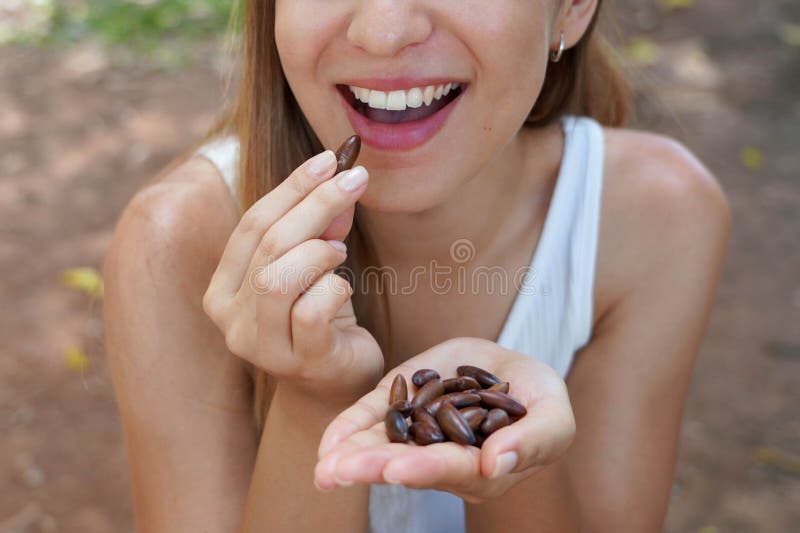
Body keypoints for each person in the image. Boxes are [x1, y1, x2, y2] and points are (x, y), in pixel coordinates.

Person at [102, 0, 731, 531]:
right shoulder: (176, 242)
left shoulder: (655, 217)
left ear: (571, 6)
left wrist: (503, 455)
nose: (383, 31)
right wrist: (314, 396)